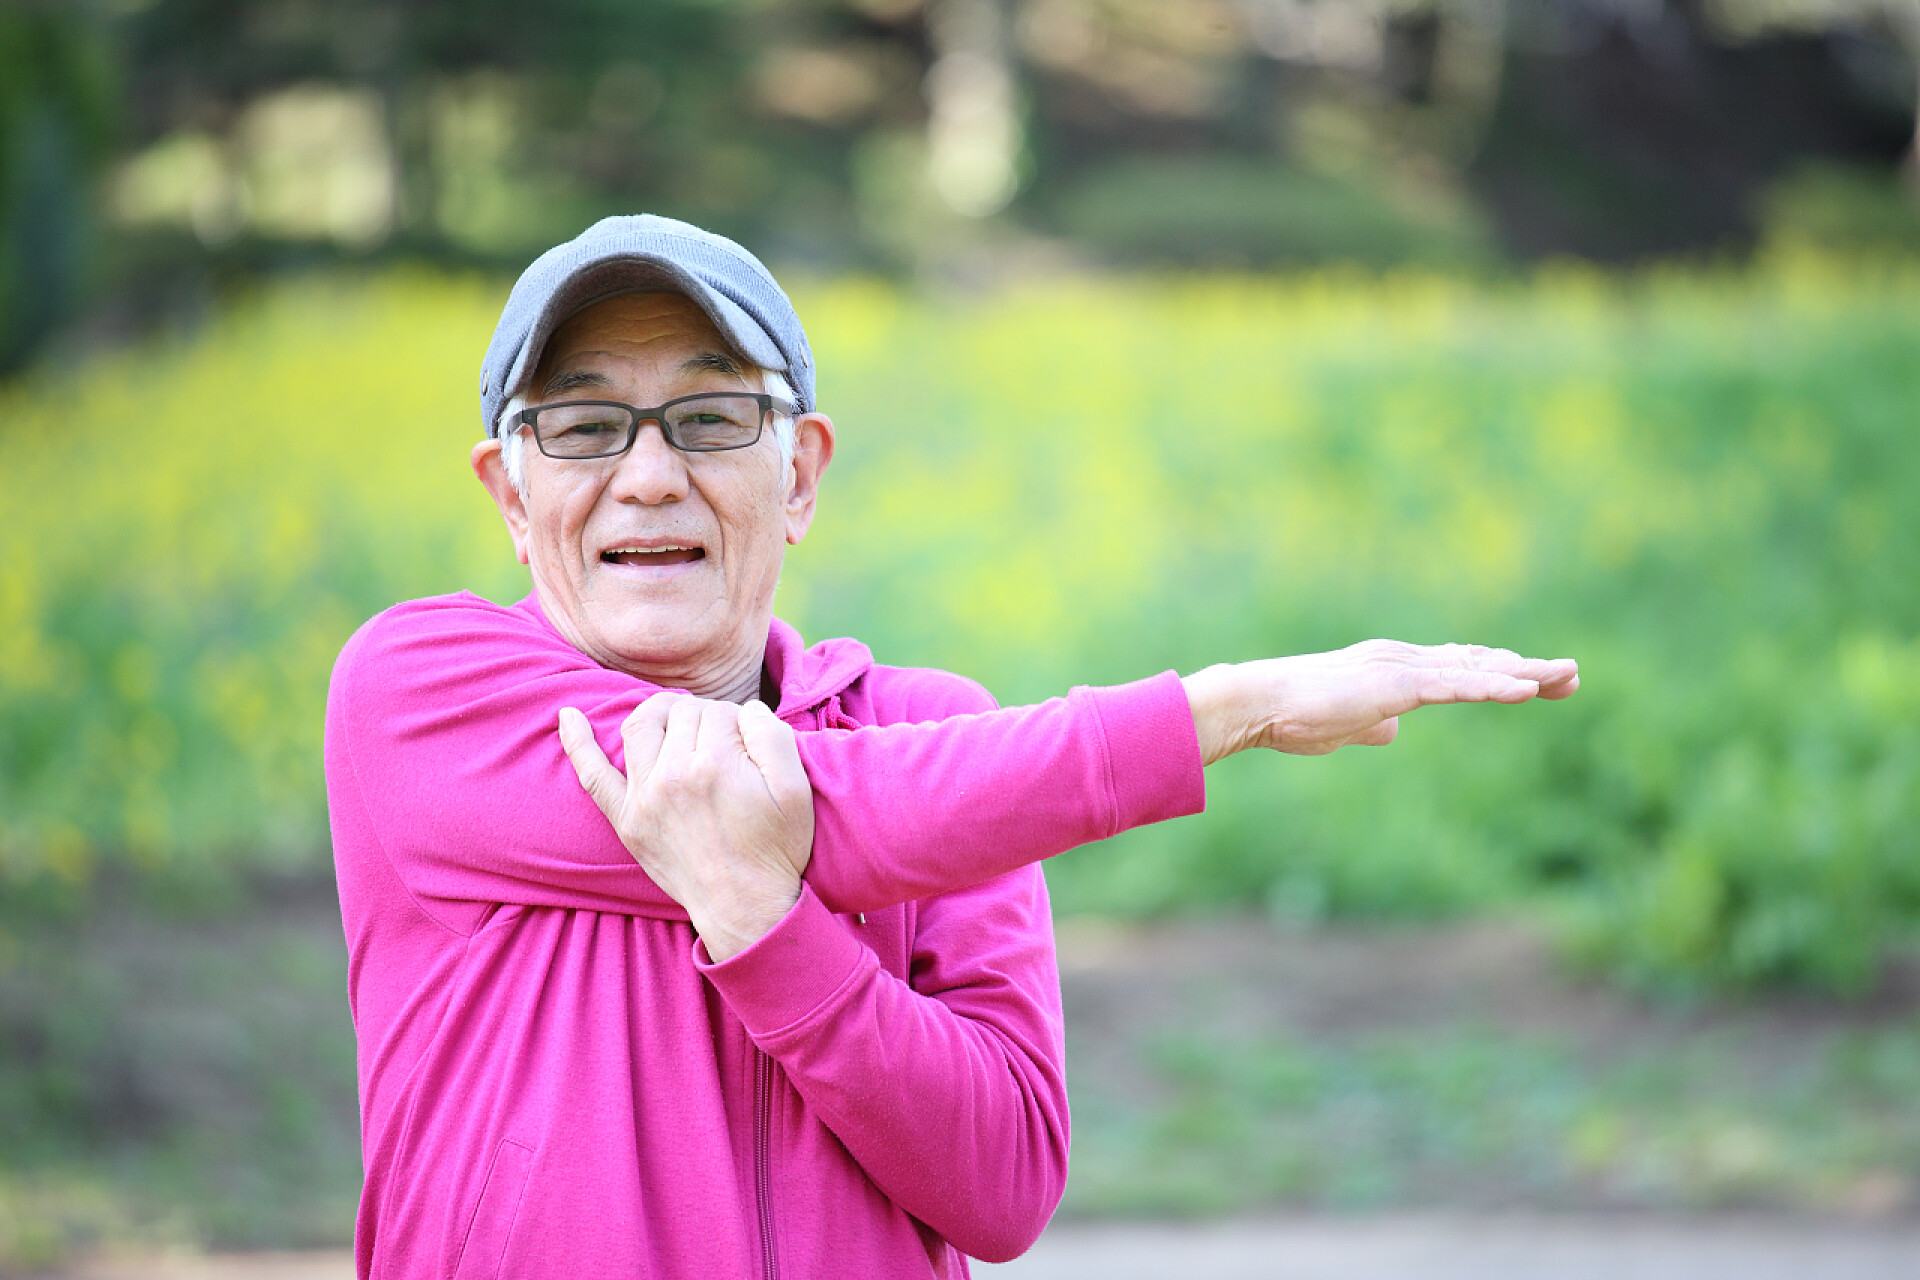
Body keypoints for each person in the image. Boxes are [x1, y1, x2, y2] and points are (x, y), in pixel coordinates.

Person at [324, 214, 1577, 1280]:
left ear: (800, 475)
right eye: (586, 428)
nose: (649, 474)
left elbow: (1004, 1183)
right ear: (508, 492)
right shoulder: (419, 689)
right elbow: (832, 807)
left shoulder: (933, 735)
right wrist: (1227, 706)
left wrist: (775, 935)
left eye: (709, 418)